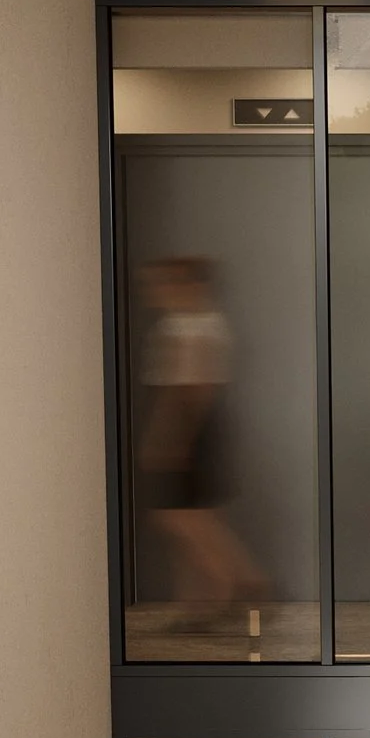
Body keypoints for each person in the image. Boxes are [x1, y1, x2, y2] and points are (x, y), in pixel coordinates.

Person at [136, 255, 267, 646]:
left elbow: (190, 391)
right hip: (202, 429)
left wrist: (168, 439)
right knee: (197, 518)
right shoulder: (204, 323)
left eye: (165, 282)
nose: (156, 290)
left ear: (190, 285)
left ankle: (241, 582)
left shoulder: (187, 327)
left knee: (180, 519)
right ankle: (200, 605)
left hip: (188, 429)